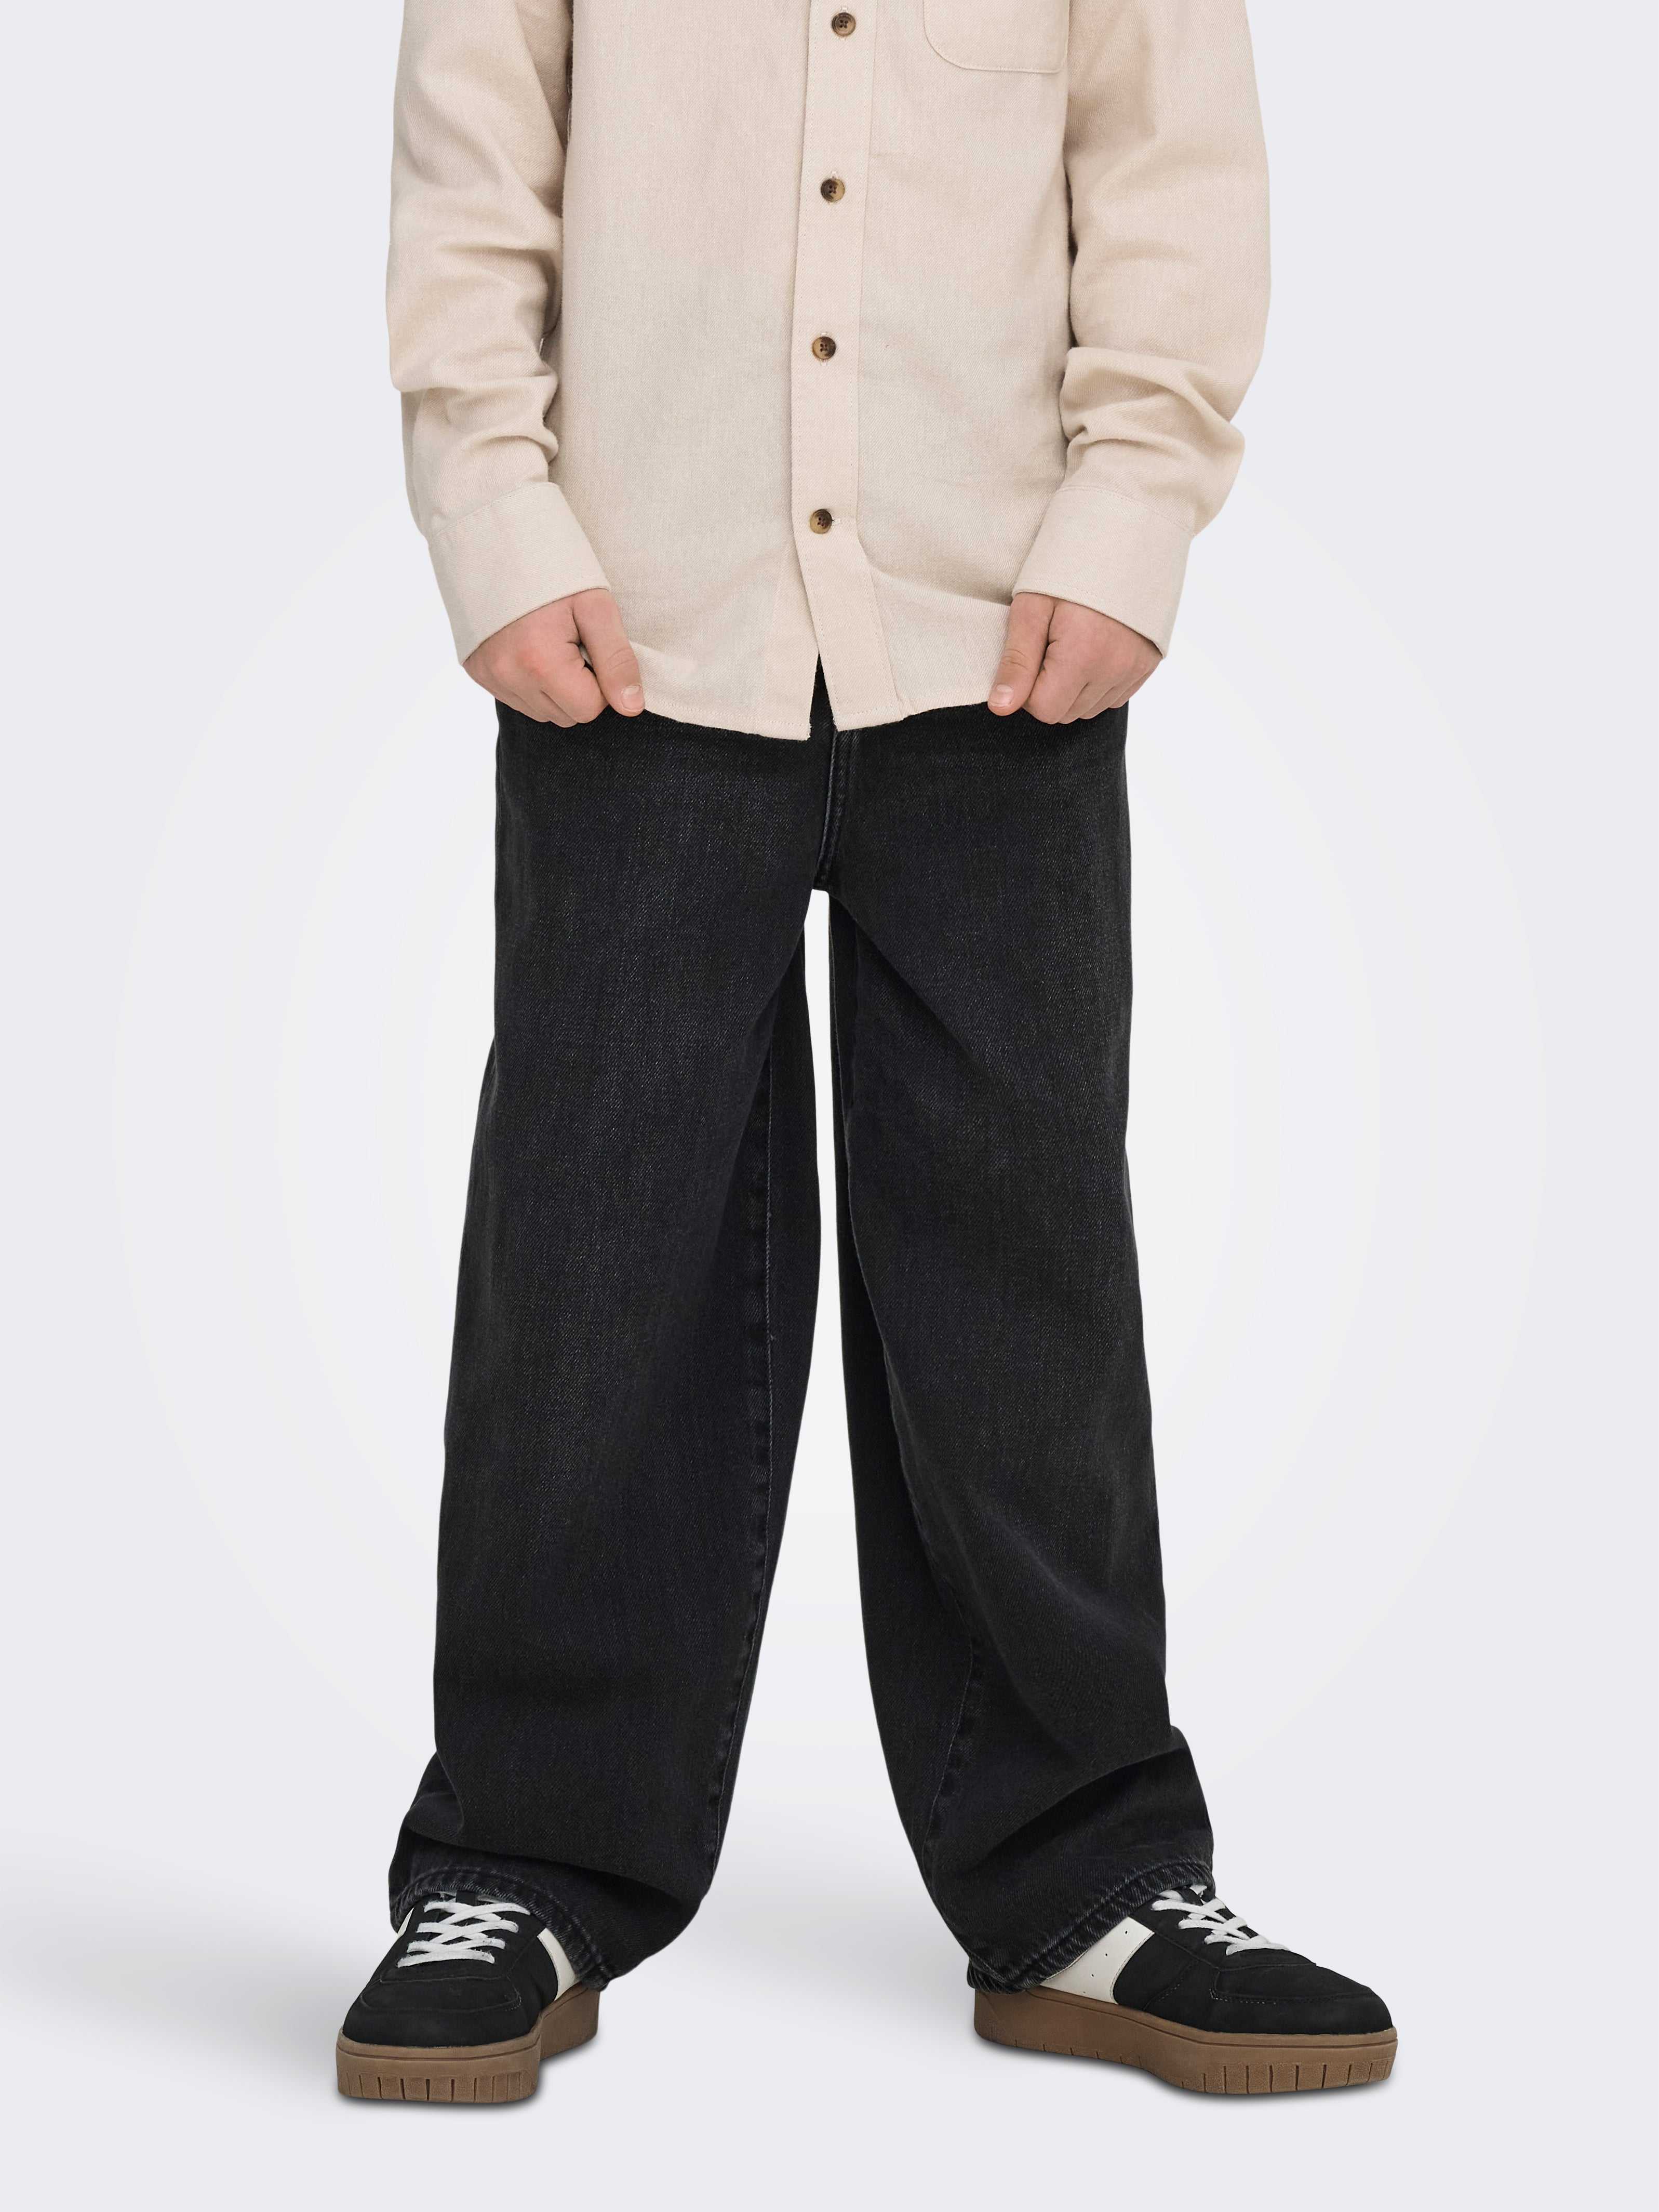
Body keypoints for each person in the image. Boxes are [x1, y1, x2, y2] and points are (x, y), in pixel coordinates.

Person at [336, 0, 1395, 2104]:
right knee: (589, 1258)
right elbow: (474, 175)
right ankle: (522, 1861)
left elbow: (1165, 176)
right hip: (628, 635)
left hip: (1002, 634)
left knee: (1025, 1268)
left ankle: (1086, 1880)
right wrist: (497, 523)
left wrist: (1129, 518)